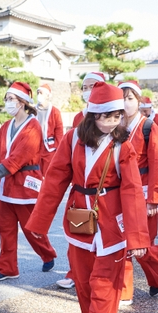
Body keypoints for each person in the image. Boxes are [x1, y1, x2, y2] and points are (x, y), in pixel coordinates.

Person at [24, 81, 149, 313]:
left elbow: (132, 191)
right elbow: (55, 179)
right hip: (80, 221)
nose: (111, 122)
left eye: (117, 116)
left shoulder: (123, 145)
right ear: (92, 115)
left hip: (112, 226)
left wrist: (137, 236)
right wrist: (39, 222)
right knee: (83, 287)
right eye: (105, 116)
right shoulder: (72, 140)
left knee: (104, 289)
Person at [0, 82, 57, 281]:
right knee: (5, 230)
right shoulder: (6, 126)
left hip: (25, 184)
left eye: (11, 99)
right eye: (6, 99)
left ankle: (47, 253)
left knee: (31, 228)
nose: (7, 103)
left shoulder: (33, 126)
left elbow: (21, 155)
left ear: (23, 102)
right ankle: (8, 268)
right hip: (7, 187)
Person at [118, 80, 158, 306]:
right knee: (122, 243)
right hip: (119, 192)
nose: (126, 103)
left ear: (138, 101)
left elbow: (157, 163)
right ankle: (125, 291)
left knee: (143, 245)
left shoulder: (149, 127)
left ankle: (157, 272)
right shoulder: (113, 125)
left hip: (144, 192)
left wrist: (154, 198)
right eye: (122, 98)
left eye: (130, 98)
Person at [58, 71, 106, 290]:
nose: (88, 91)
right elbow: (62, 164)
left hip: (107, 195)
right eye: (84, 87)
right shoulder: (79, 118)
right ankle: (74, 273)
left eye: (92, 86)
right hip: (80, 193)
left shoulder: (113, 116)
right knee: (77, 236)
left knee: (107, 244)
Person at [35, 83, 64, 174]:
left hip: (50, 149)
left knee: (49, 175)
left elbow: (59, 131)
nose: (39, 95)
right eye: (38, 93)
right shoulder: (32, 111)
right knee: (36, 176)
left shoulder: (55, 112)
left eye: (41, 93)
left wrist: (58, 149)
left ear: (48, 95)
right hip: (35, 148)